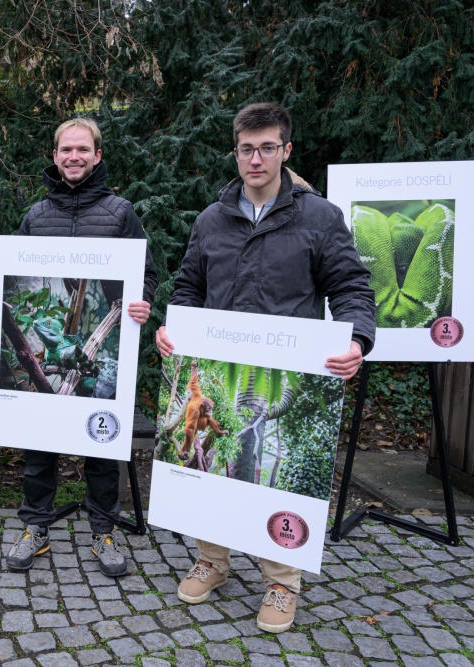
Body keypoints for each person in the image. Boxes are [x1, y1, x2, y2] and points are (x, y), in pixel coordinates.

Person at [154, 102, 376, 633]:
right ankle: (214, 560)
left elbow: (350, 287)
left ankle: (282, 581)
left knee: (269, 474)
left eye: (268, 148)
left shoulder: (319, 217)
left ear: (286, 151)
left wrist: (358, 341)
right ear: (236, 152)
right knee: (214, 463)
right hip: (218, 371)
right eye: (247, 149)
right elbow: (188, 288)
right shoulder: (213, 218)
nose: (257, 158)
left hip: (283, 374)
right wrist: (172, 330)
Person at [0, 118, 158, 577]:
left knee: (102, 448)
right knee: (39, 449)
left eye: (83, 149)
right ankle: (35, 527)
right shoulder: (37, 216)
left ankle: (103, 531)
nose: (73, 157)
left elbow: (148, 275)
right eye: (65, 150)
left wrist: (143, 304)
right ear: (55, 156)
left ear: (97, 156)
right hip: (57, 365)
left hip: (97, 352)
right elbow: (7, 269)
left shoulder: (121, 213)